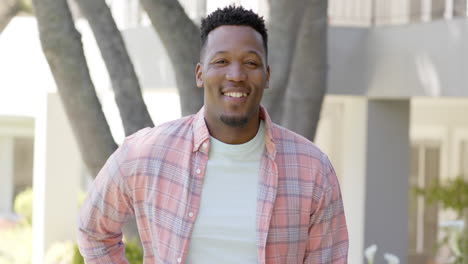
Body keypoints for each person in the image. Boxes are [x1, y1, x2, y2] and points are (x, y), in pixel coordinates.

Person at [77, 5, 348, 264]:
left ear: (266, 76)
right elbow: (93, 231)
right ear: (200, 73)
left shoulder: (313, 170)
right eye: (221, 61)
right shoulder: (146, 154)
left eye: (250, 63)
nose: (236, 75)